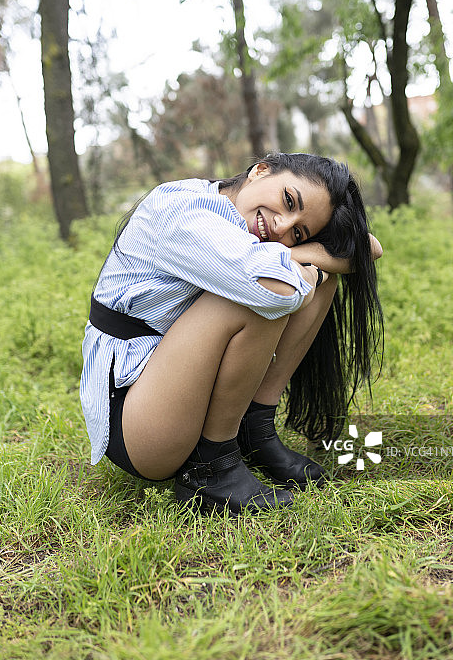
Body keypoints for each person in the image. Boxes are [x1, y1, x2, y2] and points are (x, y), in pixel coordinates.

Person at [80, 152, 383, 514]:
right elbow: (277, 292)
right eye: (289, 201)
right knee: (257, 297)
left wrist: (304, 261)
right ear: (261, 170)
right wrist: (303, 265)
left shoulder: (237, 213)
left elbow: (369, 247)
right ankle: (210, 470)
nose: (282, 226)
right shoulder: (184, 211)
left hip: (174, 382)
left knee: (315, 281)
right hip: (134, 419)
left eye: (298, 232)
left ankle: (254, 432)